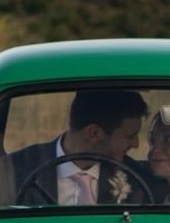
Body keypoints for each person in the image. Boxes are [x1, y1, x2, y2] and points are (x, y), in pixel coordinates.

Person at [10, 88, 156, 206]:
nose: (136, 144)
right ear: (94, 133)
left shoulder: (136, 179)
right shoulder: (14, 170)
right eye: (130, 136)